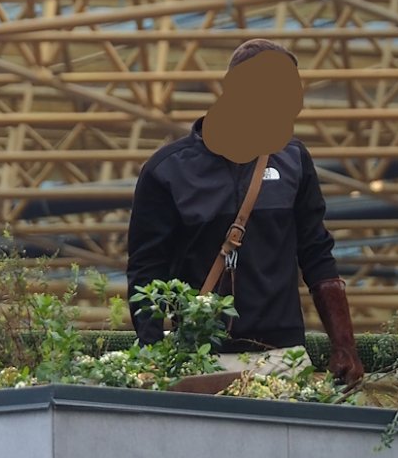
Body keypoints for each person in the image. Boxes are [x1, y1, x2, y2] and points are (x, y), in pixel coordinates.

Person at [126, 38, 364, 389]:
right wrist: (155, 353)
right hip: (199, 358)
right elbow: (146, 270)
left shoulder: (293, 160)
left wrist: (344, 346)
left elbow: (316, 254)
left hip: (282, 357)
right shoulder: (167, 170)